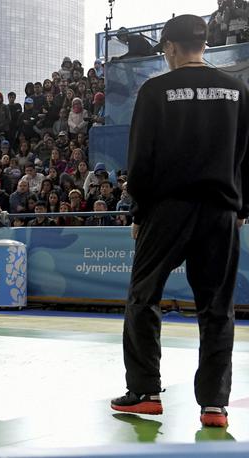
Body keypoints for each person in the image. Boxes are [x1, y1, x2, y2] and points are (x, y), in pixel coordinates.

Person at [110, 15, 249, 429]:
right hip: (221, 211)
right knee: (217, 308)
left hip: (168, 210)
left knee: (142, 297)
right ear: (203, 44)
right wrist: (241, 208)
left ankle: (146, 392)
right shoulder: (238, 91)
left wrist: (140, 211)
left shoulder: (154, 91)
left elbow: (140, 163)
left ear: (169, 46)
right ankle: (214, 406)